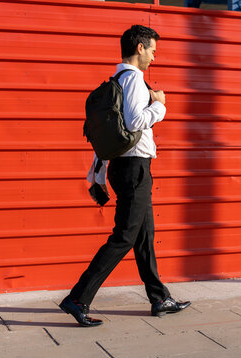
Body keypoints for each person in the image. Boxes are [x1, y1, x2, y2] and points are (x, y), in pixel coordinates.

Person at [59, 25, 191, 327]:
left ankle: (159, 298)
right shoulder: (133, 81)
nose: (154, 58)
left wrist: (99, 172)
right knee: (124, 237)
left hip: (125, 167)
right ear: (140, 48)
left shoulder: (117, 80)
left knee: (144, 237)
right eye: (153, 51)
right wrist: (159, 105)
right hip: (134, 169)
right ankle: (78, 299)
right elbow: (133, 123)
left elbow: (110, 133)